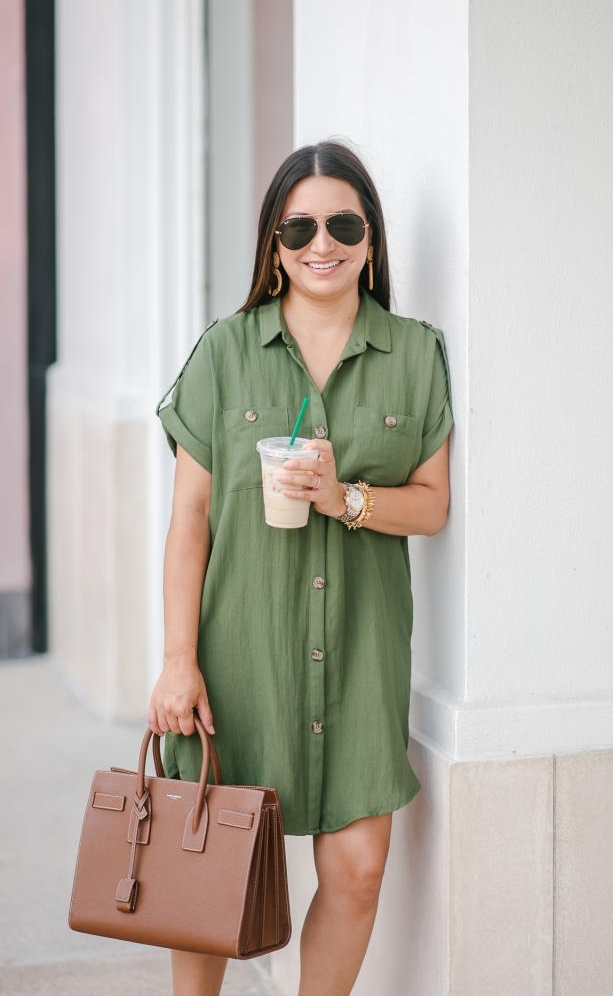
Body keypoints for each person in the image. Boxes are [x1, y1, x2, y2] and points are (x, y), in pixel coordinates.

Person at [148, 141, 452, 996]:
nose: (324, 244)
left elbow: (432, 504)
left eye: (344, 225)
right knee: (205, 875)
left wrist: (344, 497)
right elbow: (190, 520)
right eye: (300, 227)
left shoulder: (415, 355)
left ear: (371, 238)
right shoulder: (225, 351)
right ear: (274, 243)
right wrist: (177, 660)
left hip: (361, 659)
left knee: (357, 871)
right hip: (239, 656)